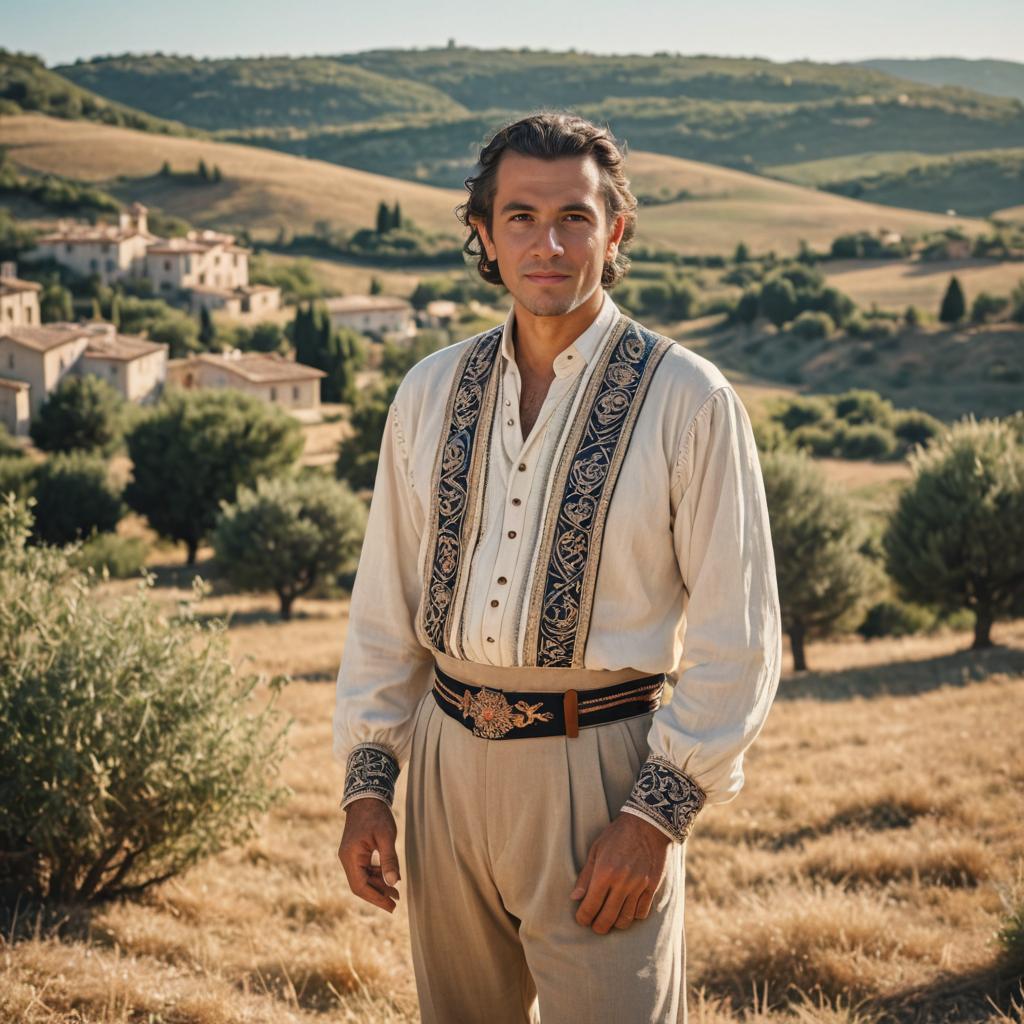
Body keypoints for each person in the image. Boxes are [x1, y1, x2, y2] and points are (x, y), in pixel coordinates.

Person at [333, 111, 782, 1024]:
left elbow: (740, 634)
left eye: (574, 217)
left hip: (604, 776)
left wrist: (654, 815)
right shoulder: (428, 392)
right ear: (485, 236)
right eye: (521, 217)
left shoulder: (690, 400)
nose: (549, 243)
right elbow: (386, 609)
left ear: (614, 230)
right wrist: (369, 785)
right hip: (447, 769)